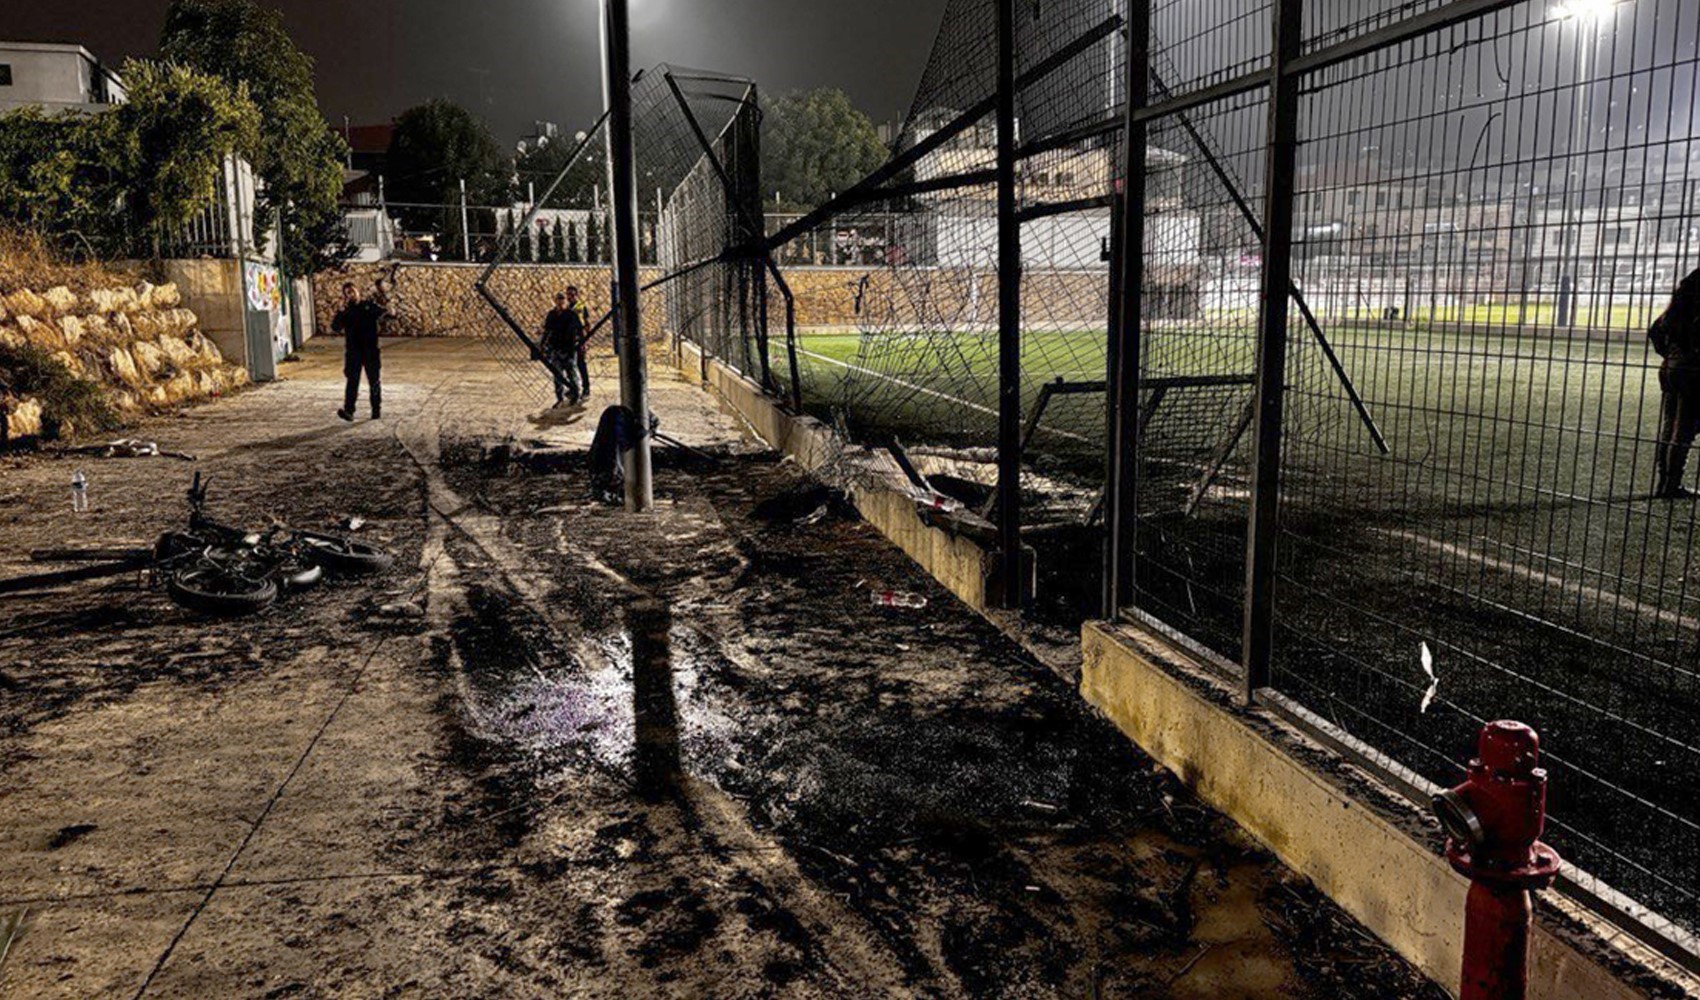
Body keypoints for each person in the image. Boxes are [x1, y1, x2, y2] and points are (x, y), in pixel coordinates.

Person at [1652, 267, 1700, 498]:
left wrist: (1670, 355)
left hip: (1670, 369)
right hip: (1693, 372)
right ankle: (1672, 486)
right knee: (1684, 431)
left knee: (1670, 425)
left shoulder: (1676, 310)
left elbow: (1655, 332)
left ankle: (1664, 482)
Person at [331, 282, 386, 421]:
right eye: (347, 293)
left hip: (371, 351)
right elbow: (335, 327)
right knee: (352, 382)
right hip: (353, 352)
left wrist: (386, 304)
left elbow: (385, 313)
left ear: (357, 291)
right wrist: (339, 312)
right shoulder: (346, 311)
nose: (351, 295)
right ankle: (349, 411)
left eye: (352, 291)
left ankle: (376, 410)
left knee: (374, 381)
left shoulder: (368, 306)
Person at [541, 291, 586, 406]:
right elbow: (547, 330)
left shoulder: (571, 315)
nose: (560, 303)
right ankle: (560, 398)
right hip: (555, 348)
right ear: (555, 301)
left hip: (569, 348)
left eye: (562, 300)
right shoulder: (551, 314)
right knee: (557, 374)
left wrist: (582, 343)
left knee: (571, 373)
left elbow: (580, 330)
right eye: (558, 300)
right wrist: (543, 344)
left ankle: (575, 394)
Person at [565, 285, 592, 400]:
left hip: (579, 337)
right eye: (568, 295)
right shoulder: (566, 308)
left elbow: (587, 324)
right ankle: (573, 388)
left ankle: (586, 388)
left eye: (572, 295)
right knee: (569, 365)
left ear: (576, 295)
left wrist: (586, 340)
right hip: (568, 339)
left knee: (581, 364)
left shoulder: (581, 307)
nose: (570, 297)